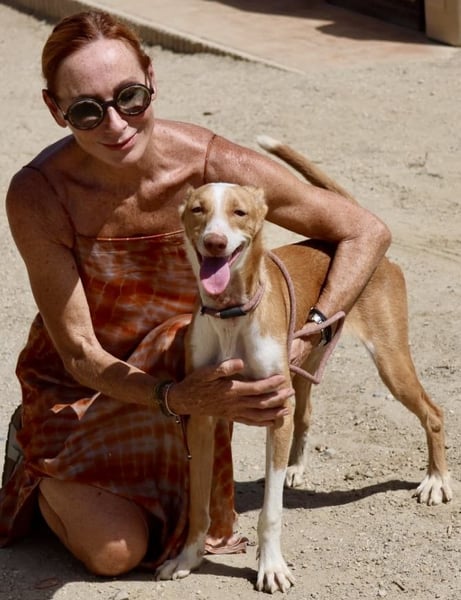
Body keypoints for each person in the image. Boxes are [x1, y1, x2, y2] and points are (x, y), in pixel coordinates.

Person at [0, 10, 390, 576]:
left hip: (194, 369)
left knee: (156, 536)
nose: (116, 124)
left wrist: (313, 331)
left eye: (129, 97)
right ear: (55, 110)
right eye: (86, 110)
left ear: (151, 79)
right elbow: (79, 352)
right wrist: (177, 399)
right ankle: (33, 457)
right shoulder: (39, 194)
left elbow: (364, 232)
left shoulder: (213, 165)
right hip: (90, 384)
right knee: (114, 554)